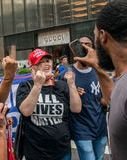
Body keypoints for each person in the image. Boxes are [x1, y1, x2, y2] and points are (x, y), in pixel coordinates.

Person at [16, 48, 82, 160]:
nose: (46, 64)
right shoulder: (26, 86)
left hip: (62, 151)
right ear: (33, 68)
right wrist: (37, 85)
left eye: (48, 61)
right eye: (41, 62)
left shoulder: (62, 85)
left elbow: (76, 109)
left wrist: (71, 85)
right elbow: (26, 111)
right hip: (36, 152)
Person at [58, 36, 112, 160]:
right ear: (74, 50)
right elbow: (60, 101)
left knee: (99, 157)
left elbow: (105, 100)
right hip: (80, 128)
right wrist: (72, 92)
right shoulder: (66, 74)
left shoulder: (99, 72)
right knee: (88, 157)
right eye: (81, 45)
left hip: (100, 126)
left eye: (88, 44)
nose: (85, 48)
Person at [86, 1, 127, 159]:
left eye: (94, 36)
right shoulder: (121, 79)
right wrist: (98, 68)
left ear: (103, 36)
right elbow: (115, 102)